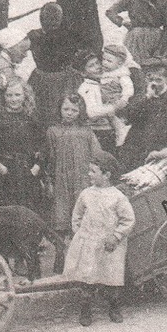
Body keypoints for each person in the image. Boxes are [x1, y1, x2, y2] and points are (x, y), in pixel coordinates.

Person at [67, 152, 135, 325]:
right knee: (87, 279)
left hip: (109, 245)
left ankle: (114, 308)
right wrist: (80, 234)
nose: (89, 174)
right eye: (89, 170)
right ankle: (85, 312)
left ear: (107, 175)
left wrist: (116, 236)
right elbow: (77, 215)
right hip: (89, 242)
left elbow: (128, 219)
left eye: (93, 171)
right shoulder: (86, 194)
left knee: (111, 278)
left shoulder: (118, 197)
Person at [47, 94, 105, 259]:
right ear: (59, 110)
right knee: (61, 217)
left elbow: (97, 154)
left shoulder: (86, 132)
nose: (69, 113)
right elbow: (49, 158)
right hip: (61, 180)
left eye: (74, 110)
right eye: (66, 109)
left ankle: (80, 257)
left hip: (81, 180)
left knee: (81, 216)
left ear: (81, 111)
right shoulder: (53, 131)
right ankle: (60, 256)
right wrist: (50, 181)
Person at [115, 59, 167, 171]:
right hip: (135, 150)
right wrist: (147, 97)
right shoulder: (142, 96)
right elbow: (128, 116)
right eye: (150, 79)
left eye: (158, 80)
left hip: (160, 151)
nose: (153, 83)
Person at [0, 78, 47, 214]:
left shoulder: (32, 117)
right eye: (9, 95)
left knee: (29, 210)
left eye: (17, 95)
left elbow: (43, 144)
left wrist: (37, 167)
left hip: (28, 170)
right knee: (6, 210)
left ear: (25, 96)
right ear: (3, 97)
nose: (13, 99)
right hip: (5, 170)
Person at [27, 2, 80, 127]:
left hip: (57, 79)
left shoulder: (34, 35)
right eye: (49, 18)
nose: (52, 21)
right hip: (51, 78)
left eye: (55, 18)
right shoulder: (35, 35)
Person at [107, 0, 167, 65]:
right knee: (132, 62)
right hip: (135, 37)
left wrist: (161, 49)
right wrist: (122, 22)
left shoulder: (162, 2)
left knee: (152, 64)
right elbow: (110, 11)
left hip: (155, 38)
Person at [75, 50, 127, 154]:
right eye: (91, 66)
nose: (98, 67)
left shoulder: (103, 83)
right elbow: (92, 112)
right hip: (98, 131)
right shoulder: (87, 88)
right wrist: (114, 107)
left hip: (109, 128)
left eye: (97, 63)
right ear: (83, 73)